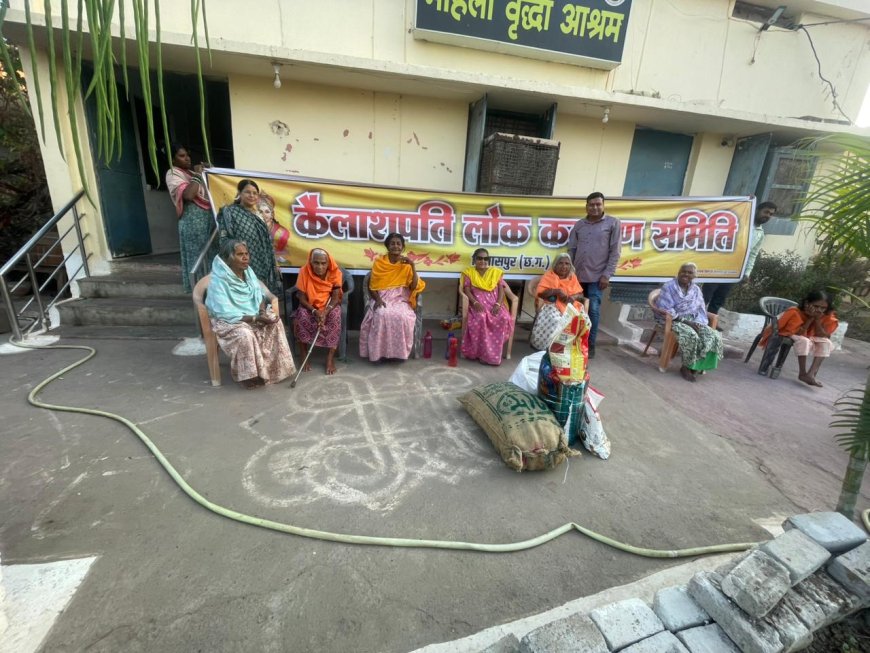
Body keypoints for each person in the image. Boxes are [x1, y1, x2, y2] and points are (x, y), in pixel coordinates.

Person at [205, 239, 295, 388]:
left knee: (275, 321)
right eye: (240, 254)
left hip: (253, 313)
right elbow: (225, 313)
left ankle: (273, 371)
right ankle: (249, 376)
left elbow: (258, 294)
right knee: (244, 333)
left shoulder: (249, 272)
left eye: (246, 254)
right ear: (228, 259)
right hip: (229, 321)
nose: (246, 258)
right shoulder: (218, 281)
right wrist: (255, 318)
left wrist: (261, 313)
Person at [566, 191, 620, 358]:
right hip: (577, 275)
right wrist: (570, 273)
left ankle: (590, 345)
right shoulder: (580, 225)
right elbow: (572, 249)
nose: (595, 207)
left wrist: (607, 275)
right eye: (592, 204)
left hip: (598, 277)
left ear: (603, 205)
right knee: (574, 309)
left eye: (598, 204)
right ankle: (572, 342)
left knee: (593, 311)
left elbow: (615, 251)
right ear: (586, 206)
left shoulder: (612, 223)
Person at [359, 233, 426, 362]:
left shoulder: (407, 264)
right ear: (388, 246)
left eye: (398, 244)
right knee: (382, 314)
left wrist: (412, 266)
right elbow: (372, 287)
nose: (395, 246)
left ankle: (399, 354)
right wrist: (378, 300)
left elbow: (413, 287)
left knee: (403, 316)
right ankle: (379, 354)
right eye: (392, 243)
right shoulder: (379, 263)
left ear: (403, 247)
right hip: (382, 297)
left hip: (401, 298)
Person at [703, 201, 777, 314]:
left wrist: (747, 273)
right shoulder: (740, 223)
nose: (767, 216)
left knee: (719, 299)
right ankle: (694, 321)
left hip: (734, 270)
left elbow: (752, 255)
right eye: (766, 212)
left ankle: (709, 324)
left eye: (771, 214)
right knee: (705, 296)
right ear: (757, 210)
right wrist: (746, 202)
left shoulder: (760, 234)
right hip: (718, 265)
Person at [656, 262, 724, 382]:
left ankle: (696, 366)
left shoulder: (696, 289)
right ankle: (686, 368)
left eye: (690, 272)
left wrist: (699, 322)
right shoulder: (669, 287)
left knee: (712, 335)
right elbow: (665, 309)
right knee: (691, 335)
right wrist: (687, 322)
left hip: (694, 319)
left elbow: (700, 308)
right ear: (678, 272)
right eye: (683, 271)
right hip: (675, 320)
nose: (685, 274)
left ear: (695, 275)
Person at [217, 179, 282, 295]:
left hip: (263, 261)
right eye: (247, 192)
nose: (252, 195)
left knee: (262, 294)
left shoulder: (259, 215)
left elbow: (267, 241)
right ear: (239, 193)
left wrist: (275, 263)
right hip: (242, 262)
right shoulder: (230, 212)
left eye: (255, 193)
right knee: (246, 295)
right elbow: (224, 240)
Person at [761, 290, 838, 387]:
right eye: (816, 306)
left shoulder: (826, 316)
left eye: (823, 308)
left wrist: (817, 319)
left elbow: (823, 335)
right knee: (804, 341)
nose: (819, 310)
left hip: (809, 335)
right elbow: (799, 332)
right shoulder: (795, 312)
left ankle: (810, 374)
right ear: (807, 303)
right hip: (787, 331)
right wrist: (810, 318)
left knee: (826, 342)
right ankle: (802, 373)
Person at [165, 144, 214, 292]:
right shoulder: (173, 174)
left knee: (211, 256)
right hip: (192, 223)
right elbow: (188, 195)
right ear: (173, 159)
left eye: (187, 155)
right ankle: (200, 295)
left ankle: (214, 293)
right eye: (182, 156)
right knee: (197, 258)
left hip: (207, 221)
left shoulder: (192, 173)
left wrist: (211, 171)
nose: (187, 158)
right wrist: (198, 176)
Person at [294, 248, 343, 375]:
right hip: (309, 306)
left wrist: (325, 312)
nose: (319, 266)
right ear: (310, 262)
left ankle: (330, 358)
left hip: (328, 306)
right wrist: (315, 311)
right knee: (301, 316)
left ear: (328, 263)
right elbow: (301, 297)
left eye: (323, 263)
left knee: (336, 315)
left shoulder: (335, 272)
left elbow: (336, 296)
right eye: (316, 263)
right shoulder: (304, 271)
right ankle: (304, 355)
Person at [460, 248, 512, 365]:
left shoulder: (495, 272)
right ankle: (481, 354)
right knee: (481, 318)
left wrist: (498, 304)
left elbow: (501, 290)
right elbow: (466, 290)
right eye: (480, 258)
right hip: (477, 304)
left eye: (486, 258)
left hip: (495, 304)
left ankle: (493, 357)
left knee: (503, 317)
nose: (483, 261)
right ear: (474, 260)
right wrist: (475, 303)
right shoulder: (469, 273)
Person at [257, 192, 291, 266]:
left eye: (267, 212)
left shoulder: (282, 232)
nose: (263, 215)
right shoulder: (250, 228)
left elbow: (283, 255)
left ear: (272, 214)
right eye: (260, 212)